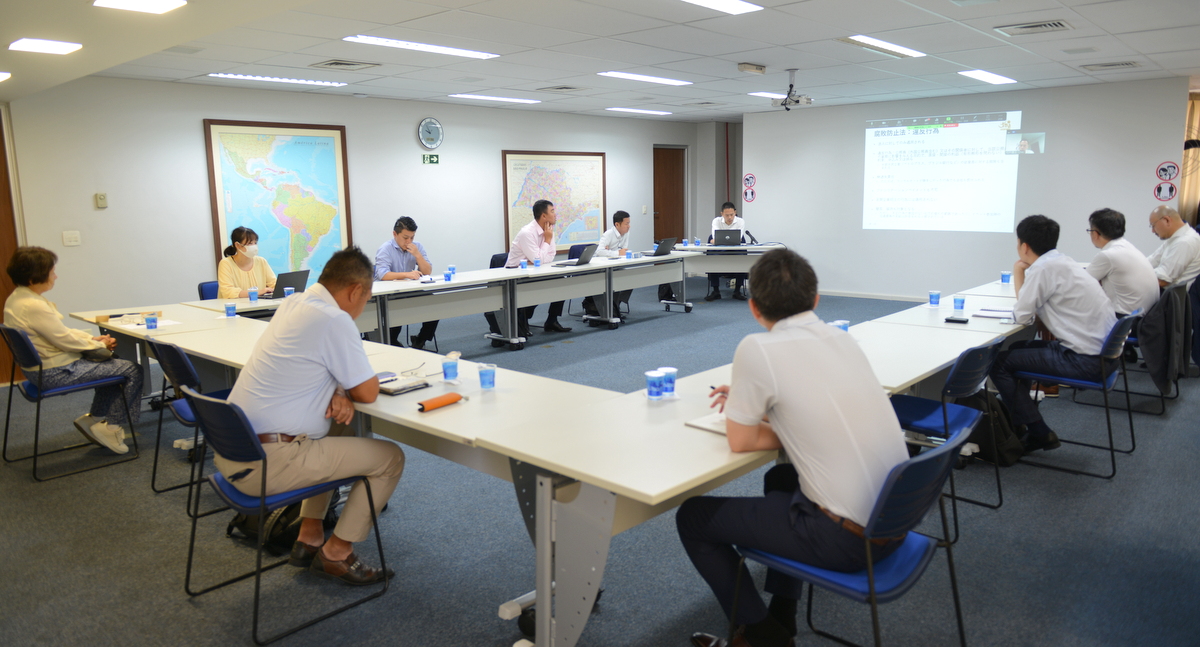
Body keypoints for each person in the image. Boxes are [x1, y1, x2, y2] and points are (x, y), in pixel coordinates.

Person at [677, 249, 908, 647]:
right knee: (783, 477)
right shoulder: (842, 338)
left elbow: (741, 440)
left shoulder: (757, 347)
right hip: (895, 522)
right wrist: (764, 402)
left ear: (753, 308)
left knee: (692, 517)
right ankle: (783, 612)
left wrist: (755, 410)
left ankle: (764, 636)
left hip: (847, 540)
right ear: (815, 300)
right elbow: (818, 408)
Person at [219, 246, 404, 585]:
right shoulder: (334, 319)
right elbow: (367, 392)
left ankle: (309, 535)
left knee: (341, 426)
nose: (362, 309)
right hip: (269, 464)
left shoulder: (294, 303)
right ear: (356, 291)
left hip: (234, 453)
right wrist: (347, 389)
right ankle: (337, 553)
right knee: (391, 458)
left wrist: (337, 390)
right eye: (366, 300)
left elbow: (309, 364)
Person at [989, 215, 1116, 454]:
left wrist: (1018, 270)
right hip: (1104, 356)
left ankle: (1038, 431)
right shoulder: (1063, 261)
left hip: (1086, 361)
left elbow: (1022, 315)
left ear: (1024, 246)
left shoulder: (1042, 269)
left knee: (998, 364)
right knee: (1016, 349)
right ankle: (1022, 423)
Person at [3, 246, 141, 454]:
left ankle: (94, 420)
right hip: (54, 372)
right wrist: (101, 345)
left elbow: (59, 332)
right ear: (33, 278)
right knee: (132, 370)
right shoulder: (33, 305)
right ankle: (110, 428)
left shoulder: (17, 298)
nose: (55, 276)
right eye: (51, 272)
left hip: (38, 369)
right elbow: (65, 341)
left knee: (113, 365)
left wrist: (92, 339)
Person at [506, 199, 572, 333]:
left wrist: (538, 260)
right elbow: (539, 259)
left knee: (561, 282)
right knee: (536, 288)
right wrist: (546, 241)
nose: (555, 214)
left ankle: (552, 321)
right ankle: (521, 321)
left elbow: (550, 256)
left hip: (535, 270)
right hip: (516, 274)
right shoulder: (527, 233)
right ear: (543, 216)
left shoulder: (548, 230)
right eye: (552, 211)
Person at [374, 216, 438, 350]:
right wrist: (406, 274)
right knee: (397, 308)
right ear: (395, 234)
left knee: (434, 303)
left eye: (412, 237)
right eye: (405, 237)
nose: (409, 241)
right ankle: (392, 340)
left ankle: (420, 339)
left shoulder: (417, 247)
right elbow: (382, 274)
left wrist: (418, 255)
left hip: (409, 290)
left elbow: (427, 271)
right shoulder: (385, 249)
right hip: (389, 293)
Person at [1085, 208, 1158, 316]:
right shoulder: (1126, 246)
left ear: (1095, 234)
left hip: (1124, 318)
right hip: (1143, 316)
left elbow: (1081, 283)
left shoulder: (1107, 255)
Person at [582, 210, 633, 321]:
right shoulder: (608, 234)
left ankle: (615, 306)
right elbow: (599, 251)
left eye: (629, 223)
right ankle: (611, 309)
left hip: (616, 265)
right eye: (626, 224)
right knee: (612, 282)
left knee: (630, 278)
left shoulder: (626, 233)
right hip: (601, 267)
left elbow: (624, 250)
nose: (629, 226)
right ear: (617, 224)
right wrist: (616, 253)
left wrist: (613, 252)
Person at [1146, 205, 1200, 287]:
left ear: (1167, 220)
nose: (1153, 231)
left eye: (1153, 225)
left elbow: (1162, 280)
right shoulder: (1175, 238)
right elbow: (1153, 260)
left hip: (1171, 294)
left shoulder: (1185, 242)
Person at [217, 226, 276, 299]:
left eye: (255, 243)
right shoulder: (226, 263)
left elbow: (274, 284)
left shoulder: (261, 261)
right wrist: (258, 292)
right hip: (234, 305)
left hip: (259, 304)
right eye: (250, 243)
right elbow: (228, 292)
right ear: (238, 245)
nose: (254, 246)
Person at [705, 202, 747, 302]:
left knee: (742, 259)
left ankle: (737, 291)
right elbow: (714, 237)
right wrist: (717, 241)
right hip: (720, 248)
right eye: (727, 215)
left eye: (732, 214)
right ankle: (716, 291)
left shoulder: (740, 221)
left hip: (736, 248)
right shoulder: (716, 221)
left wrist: (718, 241)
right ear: (722, 214)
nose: (730, 217)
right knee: (712, 258)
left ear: (735, 212)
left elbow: (739, 238)